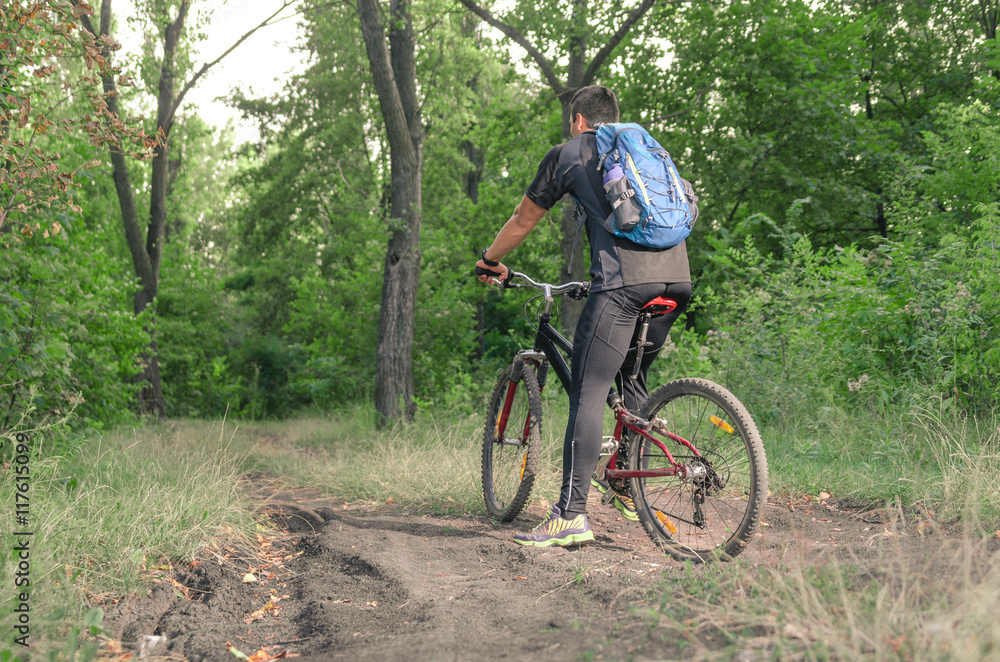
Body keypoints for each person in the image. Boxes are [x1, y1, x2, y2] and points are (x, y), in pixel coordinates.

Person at [475, 85, 693, 547]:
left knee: (588, 390)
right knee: (631, 380)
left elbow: (523, 219)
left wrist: (490, 259)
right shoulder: (643, 151)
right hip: (677, 281)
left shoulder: (572, 153)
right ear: (614, 117)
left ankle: (571, 515)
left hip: (625, 285)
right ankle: (629, 486)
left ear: (578, 120)